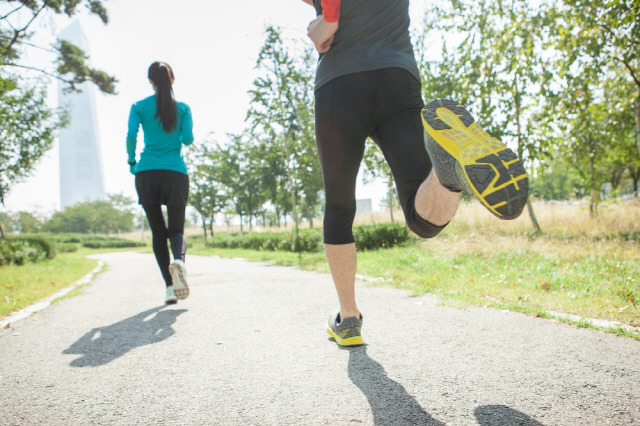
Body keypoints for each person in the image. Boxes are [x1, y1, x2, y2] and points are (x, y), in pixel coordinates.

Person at [303, 0, 529, 346]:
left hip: (341, 82)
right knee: (421, 218)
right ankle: (447, 176)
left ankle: (348, 320)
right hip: (397, 77)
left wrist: (328, 19)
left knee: (339, 206)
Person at [126, 61, 194, 304]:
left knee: (158, 231)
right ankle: (179, 261)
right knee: (176, 230)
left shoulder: (139, 107)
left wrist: (132, 161)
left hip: (147, 174)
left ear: (150, 81)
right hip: (175, 173)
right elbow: (188, 140)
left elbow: (131, 135)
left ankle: (168, 288)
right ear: (172, 80)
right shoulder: (183, 108)